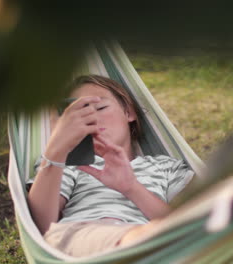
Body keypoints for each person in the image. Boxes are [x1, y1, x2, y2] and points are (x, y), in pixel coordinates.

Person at [27, 75, 194, 257]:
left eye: (101, 107)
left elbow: (187, 223)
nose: (92, 119)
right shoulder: (64, 164)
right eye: (79, 116)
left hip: (148, 238)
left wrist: (131, 187)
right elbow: (41, 227)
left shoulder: (166, 166)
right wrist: (56, 149)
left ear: (129, 112)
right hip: (82, 236)